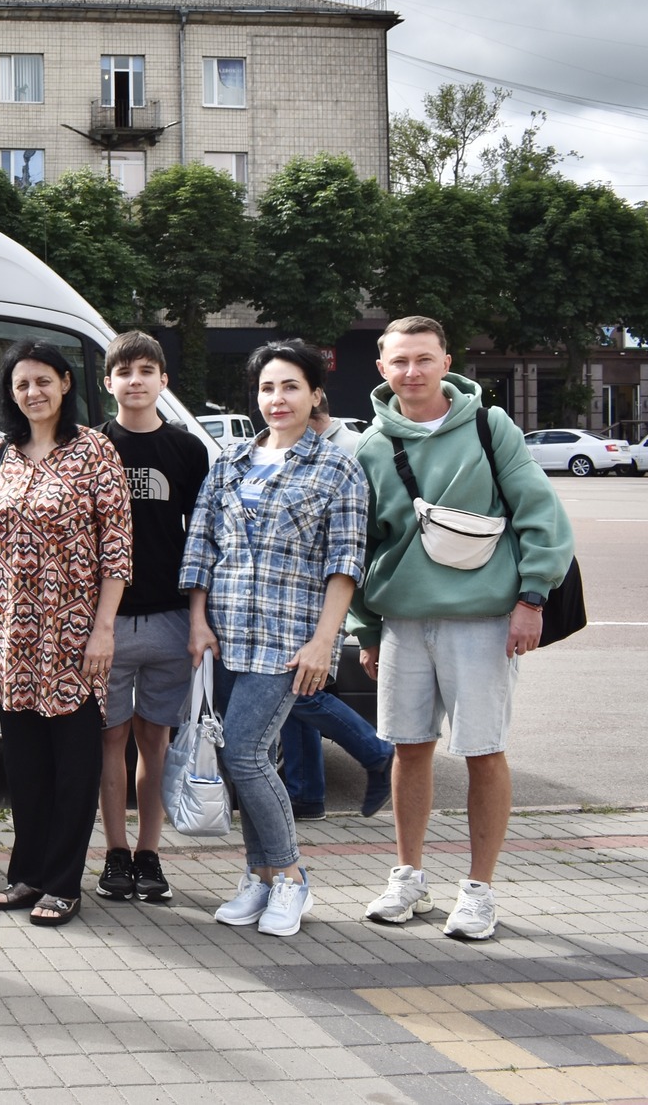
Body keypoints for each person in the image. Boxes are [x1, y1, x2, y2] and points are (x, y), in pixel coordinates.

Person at [350, 315, 574, 942]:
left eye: (424, 358)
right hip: (403, 622)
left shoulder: (488, 426)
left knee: (483, 751)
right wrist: (367, 629)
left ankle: (479, 890)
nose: (412, 372)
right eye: (400, 361)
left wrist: (532, 600)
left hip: (483, 620)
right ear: (382, 369)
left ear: (447, 362)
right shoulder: (370, 447)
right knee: (408, 748)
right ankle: (408, 877)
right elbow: (363, 546)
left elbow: (540, 513)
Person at [183, 341, 368, 938]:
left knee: (245, 752)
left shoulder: (336, 467)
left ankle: (290, 876)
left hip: (287, 639)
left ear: (315, 394)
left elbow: (345, 562)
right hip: (224, 634)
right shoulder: (230, 462)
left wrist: (323, 642)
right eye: (267, 388)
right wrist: (198, 620)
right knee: (238, 760)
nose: (277, 398)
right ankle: (258, 876)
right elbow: (201, 546)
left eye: (290, 386)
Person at [0, 341, 131, 928]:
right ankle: (25, 873)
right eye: (22, 383)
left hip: (74, 636)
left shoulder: (95, 451)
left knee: (73, 766)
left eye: (43, 381)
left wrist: (103, 630)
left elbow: (117, 551)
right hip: (10, 637)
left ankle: (63, 883)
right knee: (24, 766)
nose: (33, 392)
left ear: (66, 383)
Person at [94, 332, 209, 905]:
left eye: (146, 371)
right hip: (106, 622)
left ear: (164, 380)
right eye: (124, 371)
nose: (135, 381)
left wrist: (198, 619)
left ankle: (149, 852)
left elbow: (203, 541)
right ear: (107, 382)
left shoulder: (187, 450)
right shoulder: (92, 445)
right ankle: (115, 852)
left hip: (169, 617)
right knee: (110, 739)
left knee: (154, 741)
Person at [279, 388, 395, 823]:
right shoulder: (291, 447)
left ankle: (377, 753)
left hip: (322, 594)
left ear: (313, 401)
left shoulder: (350, 450)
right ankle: (306, 794)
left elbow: (356, 538)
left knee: (288, 688)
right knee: (302, 687)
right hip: (295, 591)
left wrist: (360, 624)